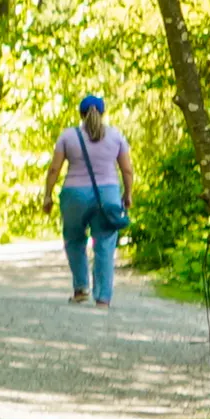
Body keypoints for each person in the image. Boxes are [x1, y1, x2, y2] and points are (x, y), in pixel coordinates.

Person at [54, 91, 135, 307]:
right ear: (103, 112)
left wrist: (47, 195)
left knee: (74, 240)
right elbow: (127, 170)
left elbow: (54, 168)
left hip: (74, 195)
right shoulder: (116, 136)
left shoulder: (68, 136)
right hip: (107, 195)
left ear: (81, 114)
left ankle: (81, 288)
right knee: (105, 245)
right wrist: (127, 195)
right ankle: (103, 299)